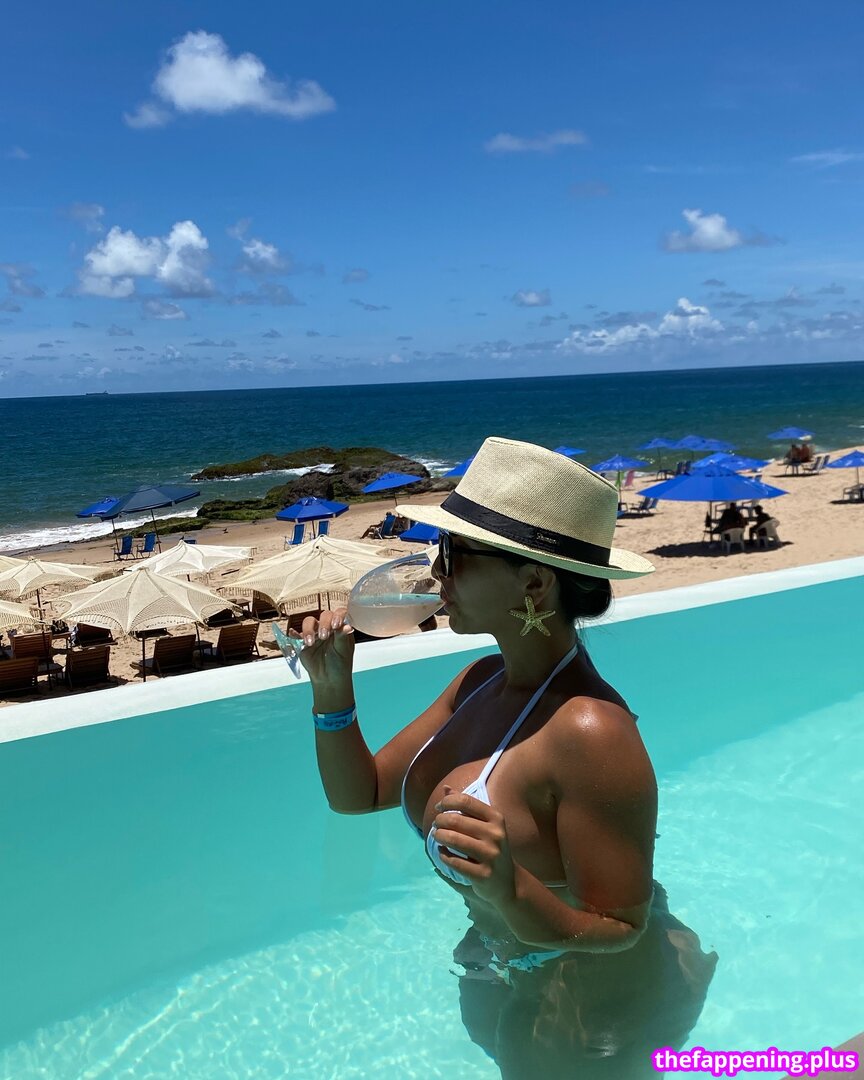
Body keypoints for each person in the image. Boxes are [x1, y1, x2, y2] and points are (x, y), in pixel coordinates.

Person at [294, 437, 716, 1078]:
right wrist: (332, 693)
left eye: (454, 554)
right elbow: (360, 794)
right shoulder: (480, 680)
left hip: (591, 1004)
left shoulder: (590, 731)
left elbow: (619, 928)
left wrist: (510, 887)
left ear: (534, 582)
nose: (436, 572)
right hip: (504, 959)